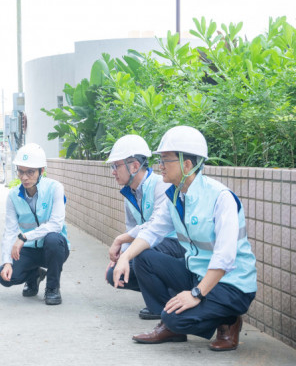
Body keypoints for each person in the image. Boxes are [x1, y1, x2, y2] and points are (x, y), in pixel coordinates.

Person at [112, 126, 257, 351]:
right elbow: (152, 231)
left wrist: (196, 294)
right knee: (144, 258)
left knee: (176, 318)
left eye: (165, 160)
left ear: (187, 164)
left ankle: (228, 321)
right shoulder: (176, 195)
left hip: (231, 284)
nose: (160, 167)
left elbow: (225, 258)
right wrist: (125, 256)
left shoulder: (220, 198)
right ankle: (170, 324)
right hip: (197, 274)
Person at [104, 135, 186, 320]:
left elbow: (156, 225)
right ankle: (167, 294)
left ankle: (159, 308)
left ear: (134, 166)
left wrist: (122, 240)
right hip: (151, 245)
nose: (113, 172)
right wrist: (121, 258)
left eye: (116, 166)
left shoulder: (160, 184)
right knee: (113, 275)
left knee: (141, 254)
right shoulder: (129, 192)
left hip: (174, 244)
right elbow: (131, 227)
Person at [0, 143, 70, 305]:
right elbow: (9, 231)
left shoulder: (55, 188)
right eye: (21, 171)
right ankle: (34, 275)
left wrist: (24, 237)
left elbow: (56, 225)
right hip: (29, 250)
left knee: (53, 238)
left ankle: (52, 288)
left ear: (41, 171)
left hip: (53, 249)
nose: (24, 177)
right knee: (5, 278)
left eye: (30, 172)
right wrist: (7, 262)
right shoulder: (13, 196)